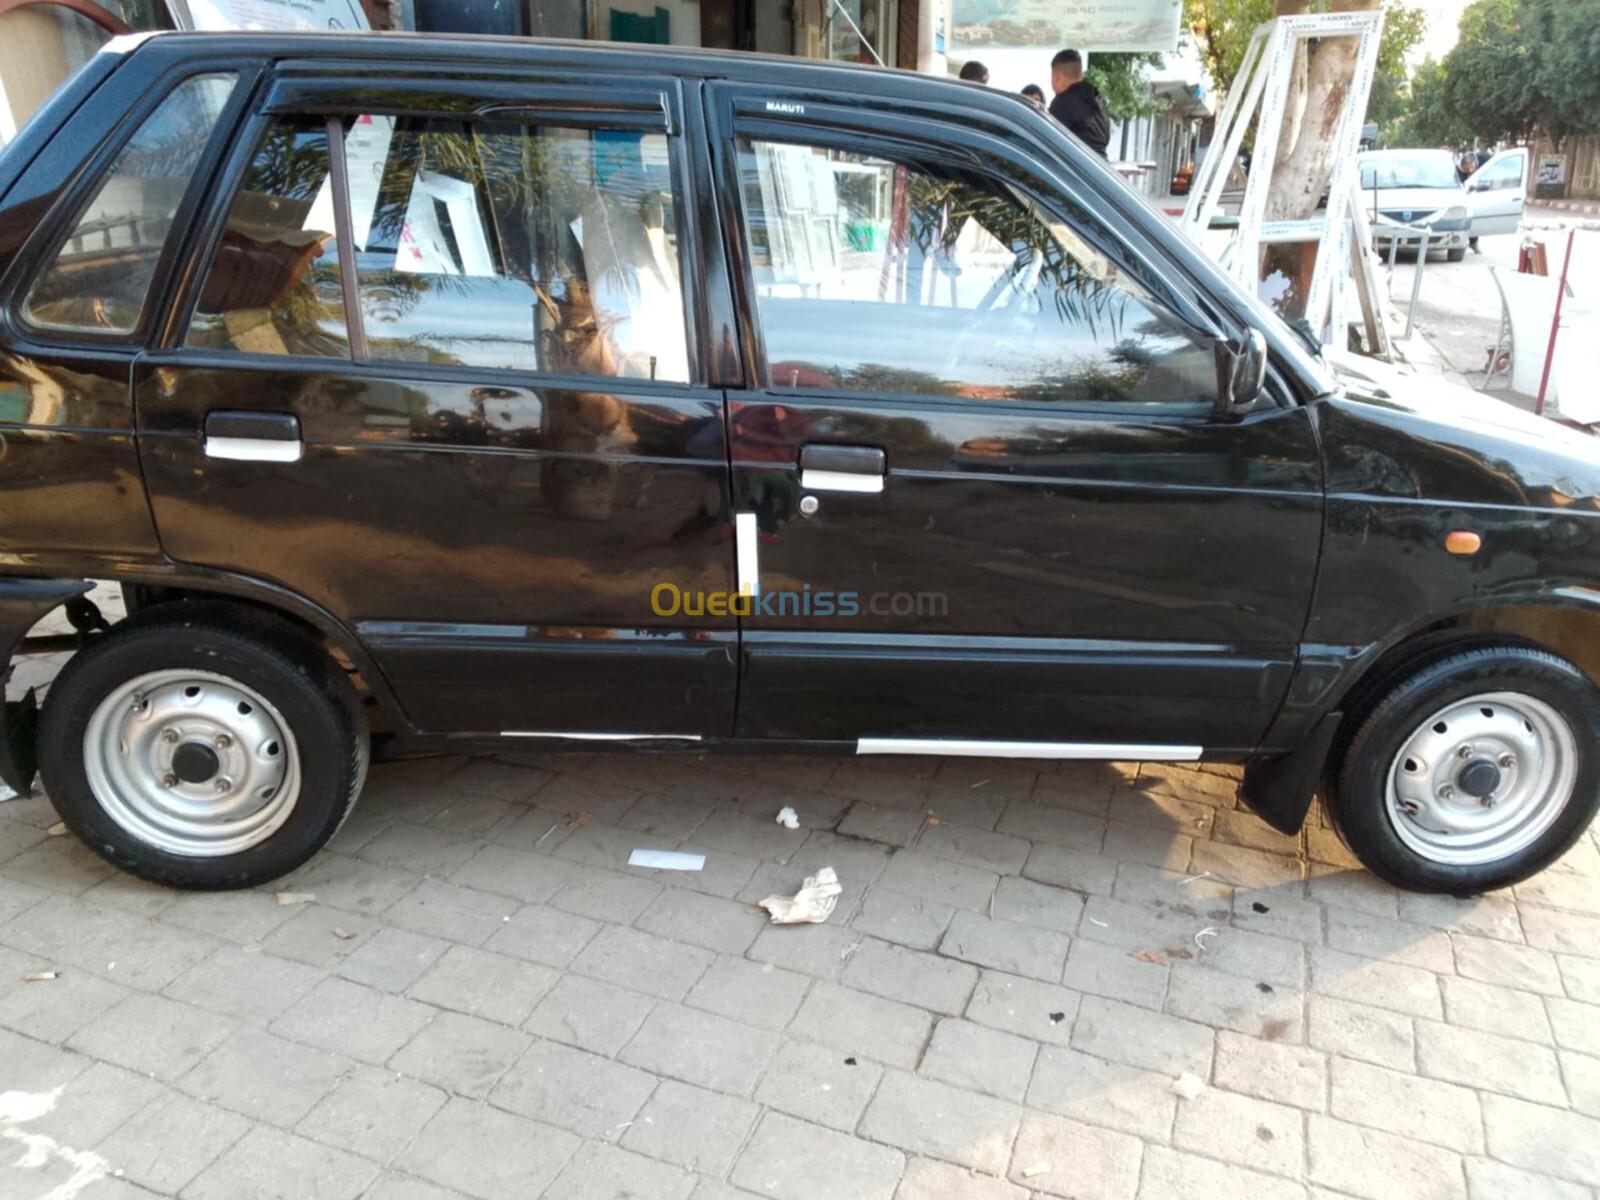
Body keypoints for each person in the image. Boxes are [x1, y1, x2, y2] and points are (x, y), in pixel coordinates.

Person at [1047, 48, 1110, 158]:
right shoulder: (1098, 100)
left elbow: (1049, 145)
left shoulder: (1062, 103)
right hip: (1102, 169)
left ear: (1057, 78)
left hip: (1072, 171)